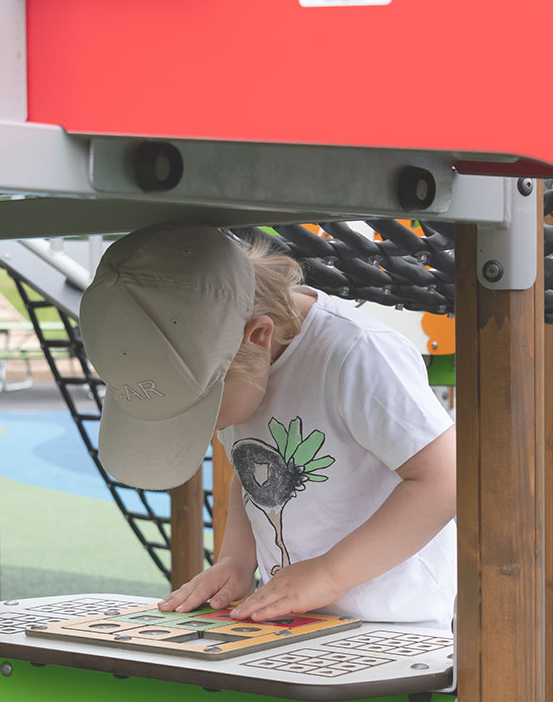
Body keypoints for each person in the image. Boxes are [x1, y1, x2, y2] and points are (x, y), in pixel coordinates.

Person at [79, 222, 456, 630]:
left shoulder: (356, 355)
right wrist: (236, 560)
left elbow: (446, 479)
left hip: (398, 623)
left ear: (258, 336)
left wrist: (331, 574)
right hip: (299, 621)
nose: (203, 430)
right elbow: (249, 473)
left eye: (201, 413)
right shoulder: (230, 367)